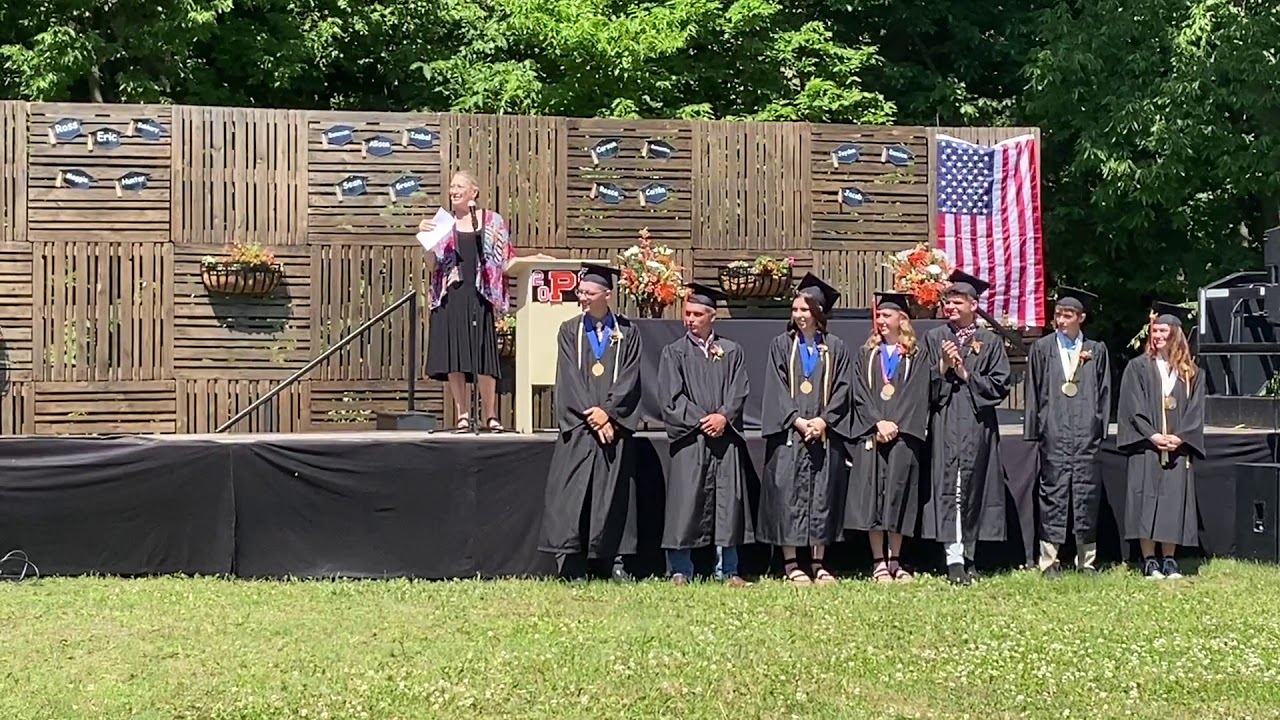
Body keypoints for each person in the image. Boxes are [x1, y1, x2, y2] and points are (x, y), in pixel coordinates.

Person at [539, 263, 643, 582]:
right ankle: (571, 564)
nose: (581, 297)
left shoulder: (628, 332)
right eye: (580, 292)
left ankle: (613, 562)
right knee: (573, 495)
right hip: (582, 427)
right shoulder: (570, 330)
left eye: (588, 292)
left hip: (613, 427)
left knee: (612, 495)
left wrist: (609, 412)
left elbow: (629, 378)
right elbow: (569, 377)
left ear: (606, 295)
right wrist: (594, 416)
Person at [759, 273, 853, 586]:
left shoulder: (836, 347)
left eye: (805, 310)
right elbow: (776, 388)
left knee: (822, 495)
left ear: (819, 313)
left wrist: (823, 421)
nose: (799, 315)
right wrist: (798, 420)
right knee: (787, 495)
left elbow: (843, 389)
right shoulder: (781, 345)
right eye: (796, 309)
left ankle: (818, 563)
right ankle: (790, 563)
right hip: (791, 433)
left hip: (823, 433)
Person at [658, 283, 754, 588]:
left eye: (698, 314)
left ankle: (729, 570)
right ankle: (680, 570)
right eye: (687, 313)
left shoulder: (732, 352)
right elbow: (670, 399)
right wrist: (703, 420)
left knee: (727, 503)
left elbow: (740, 391)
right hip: (691, 440)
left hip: (724, 440)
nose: (690, 319)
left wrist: (723, 417)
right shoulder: (673, 353)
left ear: (712, 317)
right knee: (684, 505)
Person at [921, 270, 1011, 585]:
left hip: (977, 424)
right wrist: (943, 367)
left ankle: (971, 555)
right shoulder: (935, 338)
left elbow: (1001, 386)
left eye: (957, 303)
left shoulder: (990, 341)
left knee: (974, 489)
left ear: (974, 304)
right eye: (947, 303)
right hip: (946, 422)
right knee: (951, 488)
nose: (951, 309)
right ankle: (954, 559)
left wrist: (964, 373)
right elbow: (924, 387)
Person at [1023, 287, 1112, 578]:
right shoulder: (1043, 348)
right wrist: (1036, 428)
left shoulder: (1096, 350)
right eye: (1058, 314)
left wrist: (1098, 428)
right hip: (1055, 431)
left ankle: (1087, 561)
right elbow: (1033, 391)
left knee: (1087, 494)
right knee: (1053, 494)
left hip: (1086, 433)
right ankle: (1049, 561)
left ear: (1081, 318)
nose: (1060, 320)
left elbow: (1104, 392)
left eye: (1067, 315)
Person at [419, 171, 514, 433]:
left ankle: (491, 415)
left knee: (483, 355)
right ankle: (462, 414)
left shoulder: (492, 220)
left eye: (459, 185)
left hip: (481, 294)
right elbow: (431, 265)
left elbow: (505, 258)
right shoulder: (442, 223)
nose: (453, 190)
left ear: (474, 191)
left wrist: (538, 259)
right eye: (451, 186)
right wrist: (426, 242)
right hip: (451, 295)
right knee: (455, 356)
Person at [1117, 301, 1204, 580]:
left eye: (1163, 330)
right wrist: (1153, 436)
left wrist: (1180, 438)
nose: (1157, 336)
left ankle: (1169, 559)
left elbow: (1196, 410)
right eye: (1154, 331)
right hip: (1147, 446)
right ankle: (1149, 560)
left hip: (1177, 448)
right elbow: (1132, 407)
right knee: (1145, 500)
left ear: (1176, 333)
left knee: (1172, 502)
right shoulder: (1138, 368)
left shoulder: (1191, 373)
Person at [846, 291, 928, 583]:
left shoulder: (916, 356)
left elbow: (917, 395)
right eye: (878, 316)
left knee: (898, 495)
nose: (880, 320)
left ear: (901, 320)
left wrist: (896, 425)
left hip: (903, 436)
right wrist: (877, 423)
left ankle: (896, 559)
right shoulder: (867, 354)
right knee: (872, 497)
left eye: (886, 316)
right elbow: (858, 393)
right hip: (872, 435)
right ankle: (878, 561)